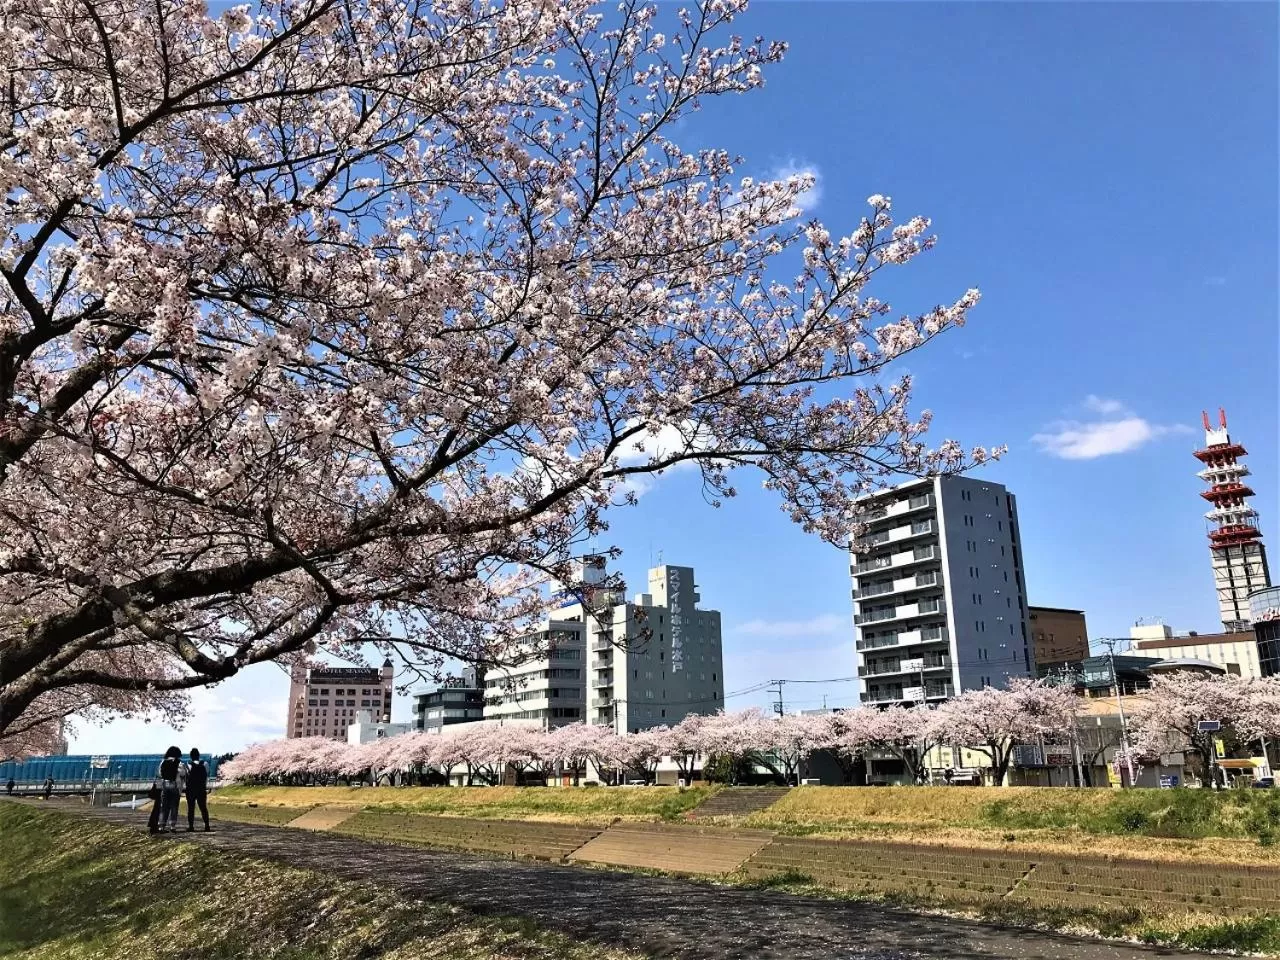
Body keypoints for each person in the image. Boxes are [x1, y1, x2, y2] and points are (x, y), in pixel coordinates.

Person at [156, 746, 186, 833]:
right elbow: (183, 773)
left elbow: (160, 773)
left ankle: (161, 826)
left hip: (165, 785)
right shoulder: (179, 763)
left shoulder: (163, 762)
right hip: (175, 785)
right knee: (174, 806)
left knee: (164, 807)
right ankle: (172, 826)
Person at [186, 748, 210, 832]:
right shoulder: (205, 764)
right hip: (201, 788)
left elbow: (186, 776)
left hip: (191, 789)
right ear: (199, 755)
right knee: (203, 807)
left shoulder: (188, 764)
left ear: (191, 756)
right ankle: (207, 825)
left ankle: (191, 826)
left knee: (191, 808)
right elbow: (206, 775)